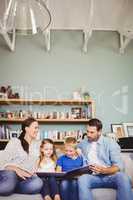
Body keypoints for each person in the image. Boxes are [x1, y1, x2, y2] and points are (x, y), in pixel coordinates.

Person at [77, 118, 133, 200]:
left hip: (110, 176)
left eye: (92, 132)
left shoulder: (110, 143)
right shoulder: (83, 143)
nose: (88, 134)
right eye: (87, 131)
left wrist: (104, 170)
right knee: (82, 179)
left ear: (99, 132)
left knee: (123, 177)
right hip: (92, 177)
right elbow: (71, 149)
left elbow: (118, 166)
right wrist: (75, 151)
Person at [0, 117, 43, 196]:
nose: (37, 130)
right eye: (35, 127)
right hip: (11, 173)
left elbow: (36, 164)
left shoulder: (37, 145)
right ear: (26, 129)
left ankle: (12, 188)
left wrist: (32, 173)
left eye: (38, 128)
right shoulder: (15, 141)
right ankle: (9, 187)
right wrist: (17, 170)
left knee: (38, 182)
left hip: (25, 178)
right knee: (7, 186)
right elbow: (3, 162)